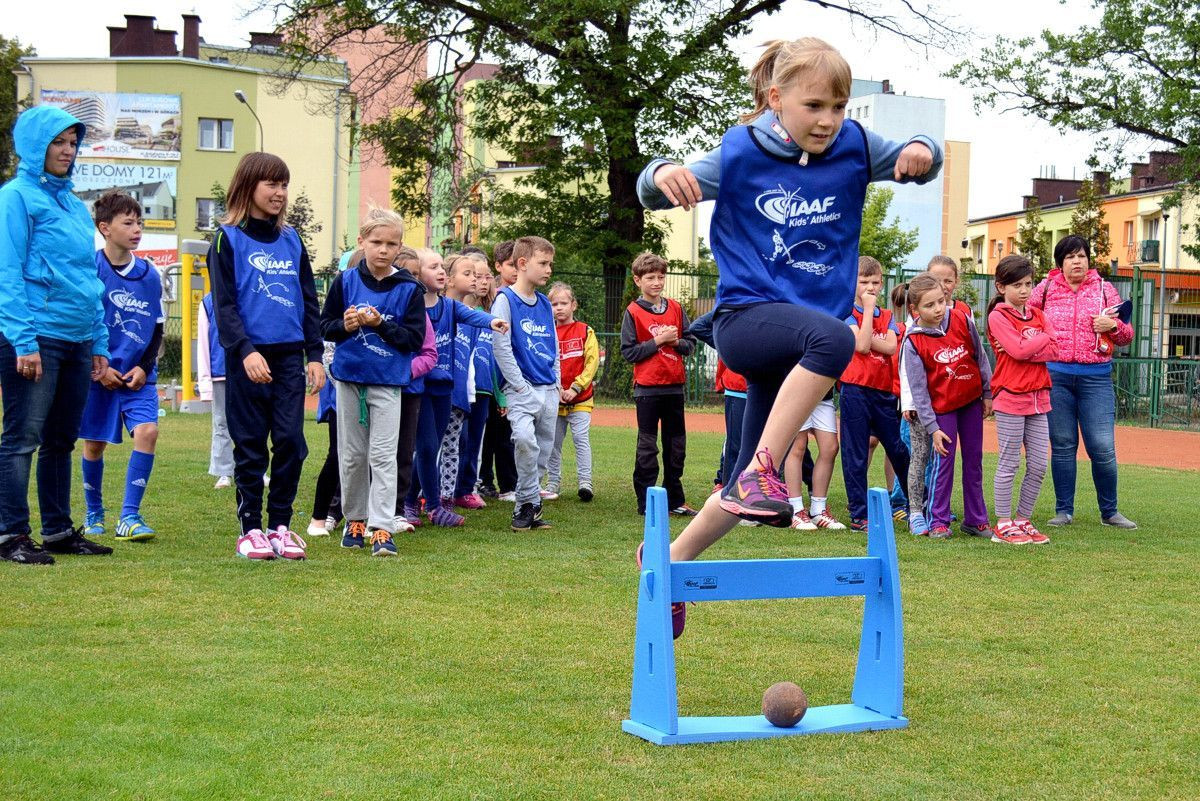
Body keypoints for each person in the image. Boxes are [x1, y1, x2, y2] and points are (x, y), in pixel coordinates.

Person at [638, 37, 940, 636]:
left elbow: (917, 155)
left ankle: (666, 563)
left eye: (839, 106)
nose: (828, 120)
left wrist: (919, 149)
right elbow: (654, 186)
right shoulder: (739, 152)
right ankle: (763, 473)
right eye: (814, 106)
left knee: (744, 480)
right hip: (748, 321)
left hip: (799, 344)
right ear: (776, 99)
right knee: (836, 340)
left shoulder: (852, 146)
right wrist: (663, 171)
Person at [0, 105, 114, 564]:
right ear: (34, 146)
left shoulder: (70, 202)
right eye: (58, 142)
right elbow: (6, 273)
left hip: (78, 337)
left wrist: (99, 342)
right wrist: (22, 341)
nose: (68, 151)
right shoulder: (15, 197)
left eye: (73, 143)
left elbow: (88, 276)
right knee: (22, 438)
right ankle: (10, 535)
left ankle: (58, 531)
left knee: (61, 440)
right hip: (36, 337)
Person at [207, 152, 325, 560]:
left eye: (284, 184)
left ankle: (280, 527)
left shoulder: (292, 239)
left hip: (290, 356)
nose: (279, 192)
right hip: (248, 360)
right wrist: (245, 350)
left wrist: (314, 354)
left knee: (292, 441)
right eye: (271, 184)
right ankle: (250, 529)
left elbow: (309, 300)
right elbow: (224, 306)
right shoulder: (227, 238)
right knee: (252, 445)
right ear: (249, 186)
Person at [320, 209, 427, 556]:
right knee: (351, 455)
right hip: (349, 378)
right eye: (376, 242)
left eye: (391, 243)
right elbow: (325, 326)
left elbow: (412, 339)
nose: (383, 249)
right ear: (362, 242)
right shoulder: (345, 282)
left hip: (388, 382)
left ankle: (382, 527)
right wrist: (346, 326)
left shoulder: (410, 289)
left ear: (399, 247)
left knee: (383, 456)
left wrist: (380, 325)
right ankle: (355, 519)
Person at [1030, 235, 1136, 529]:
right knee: (1062, 444)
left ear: (1089, 260)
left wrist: (1113, 325)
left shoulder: (1105, 289)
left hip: (1097, 379)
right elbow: (1023, 316)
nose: (1076, 261)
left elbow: (1127, 335)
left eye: (1081, 256)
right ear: (1060, 263)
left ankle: (1110, 512)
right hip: (1056, 376)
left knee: (1102, 446)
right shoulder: (1046, 288)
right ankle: (1063, 511)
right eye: (1069, 257)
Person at [78, 191, 164, 542]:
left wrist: (145, 366)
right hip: (98, 376)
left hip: (137, 379)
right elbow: (80, 324)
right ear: (105, 228)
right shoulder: (89, 270)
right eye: (127, 223)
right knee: (94, 445)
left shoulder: (149, 275)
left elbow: (158, 328)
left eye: (139, 222)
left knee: (148, 432)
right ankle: (93, 512)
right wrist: (96, 368)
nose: (136, 229)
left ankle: (130, 515)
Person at [406, 249, 506, 527]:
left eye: (442, 266)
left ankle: (412, 501)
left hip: (444, 388)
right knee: (425, 447)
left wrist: (493, 321)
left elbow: (474, 316)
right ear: (416, 273)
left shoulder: (448, 307)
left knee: (432, 447)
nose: (440, 272)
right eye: (433, 267)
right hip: (421, 387)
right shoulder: (412, 305)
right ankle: (430, 505)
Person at [901, 273, 992, 540]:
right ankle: (938, 519)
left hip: (971, 404)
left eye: (941, 301)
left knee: (974, 461)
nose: (938, 309)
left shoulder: (963, 319)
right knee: (944, 463)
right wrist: (932, 427)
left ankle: (976, 519)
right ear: (914, 309)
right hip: (943, 411)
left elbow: (980, 356)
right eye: (929, 305)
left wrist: (987, 392)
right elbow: (918, 392)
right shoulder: (913, 341)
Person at [986, 254, 1059, 545]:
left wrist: (1032, 345)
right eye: (1017, 284)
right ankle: (1004, 524)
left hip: (1039, 398)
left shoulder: (1038, 315)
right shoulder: (998, 316)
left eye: (1029, 284)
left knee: (1040, 464)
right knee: (1009, 463)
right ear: (1001, 287)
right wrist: (1039, 340)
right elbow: (1017, 351)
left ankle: (1023, 520)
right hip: (1011, 397)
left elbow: (1054, 349)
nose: (1025, 290)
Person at [620, 252, 698, 516]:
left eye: (660, 277)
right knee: (647, 448)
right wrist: (659, 340)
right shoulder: (633, 312)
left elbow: (690, 344)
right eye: (650, 277)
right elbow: (629, 352)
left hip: (674, 388)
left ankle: (675, 499)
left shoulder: (676, 308)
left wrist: (676, 342)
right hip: (647, 390)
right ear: (637, 280)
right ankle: (646, 502)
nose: (656, 282)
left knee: (676, 448)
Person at [491, 235, 560, 531]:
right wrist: (519, 386)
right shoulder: (505, 300)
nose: (548, 270)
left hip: (548, 389)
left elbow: (553, 344)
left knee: (543, 451)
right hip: (522, 389)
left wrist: (556, 381)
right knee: (524, 441)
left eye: (550, 264)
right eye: (542, 263)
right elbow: (501, 346)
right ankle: (525, 504)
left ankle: (530, 505)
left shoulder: (544, 303)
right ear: (522, 263)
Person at [837, 256, 909, 532]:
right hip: (855, 389)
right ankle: (859, 515)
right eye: (863, 281)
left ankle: (917, 503)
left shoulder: (888, 316)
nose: (870, 287)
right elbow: (863, 345)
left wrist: (872, 335)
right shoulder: (846, 312)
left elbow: (891, 347)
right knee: (855, 453)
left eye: (875, 282)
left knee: (898, 449)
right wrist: (867, 311)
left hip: (883, 393)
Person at [392, 246, 438, 532]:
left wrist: (403, 371)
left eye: (418, 275)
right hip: (377, 390)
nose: (415, 281)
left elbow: (430, 354)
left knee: (403, 453)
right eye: (409, 274)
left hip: (408, 392)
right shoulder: (379, 303)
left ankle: (397, 510)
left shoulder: (419, 310)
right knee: (368, 454)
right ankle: (349, 511)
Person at [451, 252, 499, 509]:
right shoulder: (455, 311)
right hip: (456, 388)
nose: (481, 282)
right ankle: (443, 489)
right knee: (455, 440)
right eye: (473, 275)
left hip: (481, 389)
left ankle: (466, 487)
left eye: (485, 276)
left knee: (472, 441)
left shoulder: (488, 315)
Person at [546, 281, 599, 502]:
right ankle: (552, 483)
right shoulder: (548, 333)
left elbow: (592, 362)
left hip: (581, 399)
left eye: (563, 303)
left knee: (581, 440)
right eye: (554, 304)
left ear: (573, 305)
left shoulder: (585, 331)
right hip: (555, 399)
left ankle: (585, 482)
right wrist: (557, 390)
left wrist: (576, 387)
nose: (559, 308)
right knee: (553, 444)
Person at [437, 254, 482, 509]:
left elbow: (470, 360)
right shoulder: (438, 309)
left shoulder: (473, 319)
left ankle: (446, 497)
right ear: (449, 279)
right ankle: (421, 496)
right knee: (429, 447)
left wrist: (469, 393)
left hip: (459, 395)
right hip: (436, 391)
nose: (474, 278)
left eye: (475, 274)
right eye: (468, 273)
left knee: (453, 446)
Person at [478, 240, 518, 501]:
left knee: (504, 434)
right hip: (486, 381)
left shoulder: (521, 299)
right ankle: (483, 481)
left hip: (504, 380)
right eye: (512, 265)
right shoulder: (495, 303)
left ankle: (509, 485)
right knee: (484, 437)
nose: (516, 270)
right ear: (499, 267)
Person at [782, 386, 843, 530]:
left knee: (830, 447)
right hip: (798, 393)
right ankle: (795, 510)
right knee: (798, 446)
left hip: (823, 394)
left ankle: (818, 510)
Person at [198, 293, 235, 489]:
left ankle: (257, 469)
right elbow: (204, 342)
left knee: (254, 423)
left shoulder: (250, 292)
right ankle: (223, 472)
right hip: (220, 371)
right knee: (221, 423)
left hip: (249, 371)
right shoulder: (208, 302)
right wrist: (205, 383)